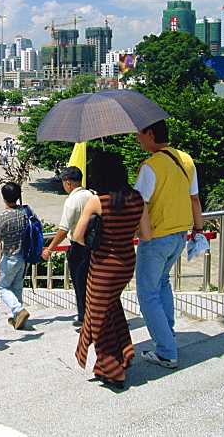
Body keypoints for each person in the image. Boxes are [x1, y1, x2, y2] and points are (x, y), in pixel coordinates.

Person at [73, 150, 152, 389]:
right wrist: (125, 233)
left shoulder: (97, 201)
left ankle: (113, 370)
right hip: (127, 263)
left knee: (98, 319)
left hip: (103, 267)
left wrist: (100, 242)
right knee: (111, 310)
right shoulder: (137, 198)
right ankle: (124, 354)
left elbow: (77, 236)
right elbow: (146, 234)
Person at [133, 119, 202, 370]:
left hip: (156, 237)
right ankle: (168, 335)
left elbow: (137, 205)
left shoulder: (151, 166)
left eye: (139, 133)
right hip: (180, 235)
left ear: (150, 133)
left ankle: (165, 351)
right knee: (162, 284)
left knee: (147, 293)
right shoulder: (185, 159)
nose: (137, 138)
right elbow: (194, 199)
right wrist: (199, 229)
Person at [41, 166, 93, 326]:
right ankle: (91, 315)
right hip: (93, 244)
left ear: (68, 183)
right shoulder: (91, 194)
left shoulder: (72, 200)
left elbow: (63, 229)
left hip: (79, 246)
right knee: (91, 283)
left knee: (79, 283)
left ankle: (84, 317)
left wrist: (50, 249)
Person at [0, 182, 30, 330]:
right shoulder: (26, 212)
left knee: (2, 287)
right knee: (17, 288)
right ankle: (18, 319)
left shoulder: (2, 217)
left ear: (3, 197)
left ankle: (18, 310)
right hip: (24, 256)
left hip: (10, 256)